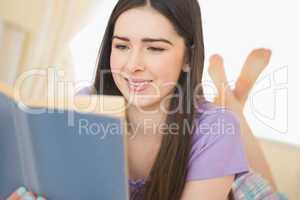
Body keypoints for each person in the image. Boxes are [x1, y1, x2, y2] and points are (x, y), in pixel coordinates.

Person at [7, 0, 287, 199]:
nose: (132, 65)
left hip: (228, 179)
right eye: (122, 46)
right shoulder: (87, 105)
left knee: (253, 184)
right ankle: (232, 99)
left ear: (188, 57)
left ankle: (233, 102)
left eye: (154, 48)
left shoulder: (213, 129)